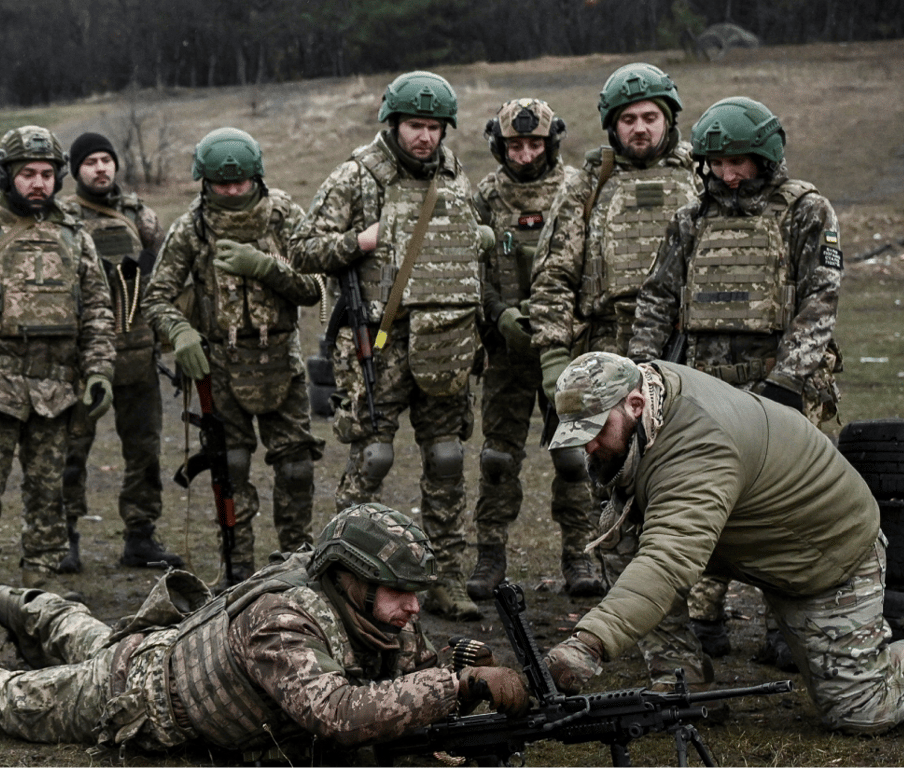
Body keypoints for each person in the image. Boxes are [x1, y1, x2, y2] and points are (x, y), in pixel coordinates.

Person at [0, 504, 528, 761]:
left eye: (414, 596)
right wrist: (456, 685)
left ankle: (26, 603)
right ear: (349, 576)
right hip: (134, 698)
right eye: (400, 593)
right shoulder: (285, 621)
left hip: (162, 655)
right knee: (0, 697)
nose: (411, 610)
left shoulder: (377, 614)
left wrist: (457, 666)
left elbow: (405, 674)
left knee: (91, 635)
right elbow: (335, 716)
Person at [541, 351, 904, 734]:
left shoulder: (700, 445)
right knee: (622, 531)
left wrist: (590, 644)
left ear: (634, 404)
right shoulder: (644, 395)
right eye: (576, 435)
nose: (585, 448)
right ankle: (680, 682)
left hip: (824, 553)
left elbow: (669, 561)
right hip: (753, 536)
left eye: (594, 431)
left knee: (861, 710)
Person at [626, 96, 845, 664]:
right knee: (700, 497)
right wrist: (644, 376)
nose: (729, 174)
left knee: (788, 508)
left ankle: (787, 624)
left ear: (765, 157)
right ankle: (702, 615)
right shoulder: (690, 219)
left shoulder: (805, 210)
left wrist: (787, 383)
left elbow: (820, 300)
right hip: (707, 384)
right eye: (718, 164)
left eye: (740, 162)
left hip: (785, 388)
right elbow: (655, 300)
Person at [290, 71, 491, 620]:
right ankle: (346, 575)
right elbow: (301, 247)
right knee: (372, 459)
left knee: (447, 457)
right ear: (393, 124)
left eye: (433, 127)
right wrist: (359, 241)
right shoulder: (356, 177)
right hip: (379, 344)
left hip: (445, 339)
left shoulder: (453, 175)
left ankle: (446, 576)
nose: (424, 137)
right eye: (413, 126)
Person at [0, 125, 115, 617]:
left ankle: (41, 579)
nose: (38, 183)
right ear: (7, 175)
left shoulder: (75, 236)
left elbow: (97, 309)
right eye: (27, 173)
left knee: (49, 489)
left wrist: (99, 372)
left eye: (47, 174)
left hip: (57, 387)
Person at [528, 64, 698, 597]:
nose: (641, 128)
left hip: (679, 342)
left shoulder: (699, 177)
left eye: (651, 117)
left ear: (668, 120)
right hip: (603, 340)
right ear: (612, 125)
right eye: (629, 119)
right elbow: (554, 275)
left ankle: (684, 582)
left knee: (680, 462)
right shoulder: (588, 184)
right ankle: (592, 563)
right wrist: (555, 358)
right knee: (594, 460)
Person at [142, 127, 324, 586]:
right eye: (221, 184)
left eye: (240, 182)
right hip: (219, 366)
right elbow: (156, 297)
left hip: (281, 358)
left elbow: (316, 287)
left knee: (297, 466)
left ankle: (296, 562)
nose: (230, 190)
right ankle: (238, 570)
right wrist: (180, 331)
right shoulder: (193, 227)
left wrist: (265, 267)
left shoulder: (284, 215)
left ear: (257, 177)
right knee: (231, 466)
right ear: (204, 181)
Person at [466, 98, 598, 600]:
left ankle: (580, 555)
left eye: (534, 144)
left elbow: (585, 264)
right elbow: (469, 268)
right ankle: (490, 555)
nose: (524, 154)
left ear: (551, 143)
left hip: (564, 346)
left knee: (573, 455)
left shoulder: (574, 191)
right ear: (501, 146)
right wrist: (498, 312)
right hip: (505, 349)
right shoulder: (484, 196)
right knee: (498, 457)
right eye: (515, 145)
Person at [57, 132, 180, 572]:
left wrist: (170, 340)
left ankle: (140, 537)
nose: (101, 168)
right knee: (71, 452)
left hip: (138, 355)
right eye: (90, 161)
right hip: (81, 359)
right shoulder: (64, 219)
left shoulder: (139, 215)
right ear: (76, 171)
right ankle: (63, 540)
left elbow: (166, 280)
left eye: (107, 160)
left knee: (144, 452)